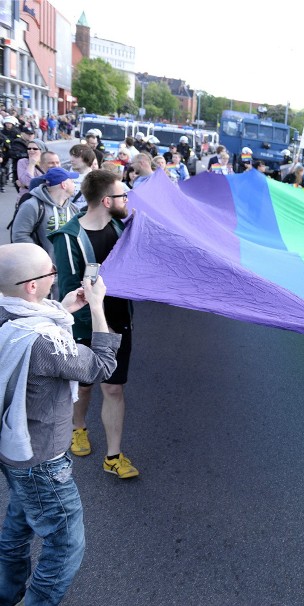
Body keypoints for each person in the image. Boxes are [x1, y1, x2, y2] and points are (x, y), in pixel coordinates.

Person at [0, 242, 121, 605]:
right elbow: (101, 366)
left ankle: (6, 593)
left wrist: (65, 308)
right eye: (50, 271)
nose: (56, 274)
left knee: (19, 526)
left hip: (13, 449)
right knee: (66, 544)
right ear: (31, 287)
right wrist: (98, 307)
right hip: (42, 460)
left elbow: (37, 323)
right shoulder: (42, 342)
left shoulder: (12, 317)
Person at [49, 170, 139, 479]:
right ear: (105, 200)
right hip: (86, 326)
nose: (126, 200)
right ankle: (78, 427)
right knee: (84, 387)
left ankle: (113, 456)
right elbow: (69, 292)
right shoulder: (69, 237)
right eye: (122, 196)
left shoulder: (121, 227)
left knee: (113, 388)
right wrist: (99, 326)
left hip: (119, 321)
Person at [11, 167, 83, 266]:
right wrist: (41, 258)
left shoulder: (73, 208)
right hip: (42, 270)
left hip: (67, 269)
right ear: (64, 185)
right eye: (71, 181)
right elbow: (19, 235)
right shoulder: (32, 206)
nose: (74, 184)